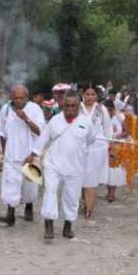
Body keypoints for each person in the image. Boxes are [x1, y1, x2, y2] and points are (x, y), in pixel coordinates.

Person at [27, 91, 96, 239]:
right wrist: (33, 155)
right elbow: (43, 138)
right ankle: (49, 224)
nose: (70, 109)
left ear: (79, 105)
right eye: (67, 106)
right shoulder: (55, 121)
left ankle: (68, 225)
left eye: (73, 106)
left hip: (75, 167)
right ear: (62, 105)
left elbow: (90, 140)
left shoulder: (86, 122)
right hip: (53, 165)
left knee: (72, 196)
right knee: (50, 192)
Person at [0, 85, 45, 226]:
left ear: (26, 97)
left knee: (29, 185)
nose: (18, 100)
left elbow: (40, 132)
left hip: (29, 155)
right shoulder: (5, 110)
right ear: (12, 97)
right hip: (11, 155)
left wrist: (26, 119)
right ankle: (10, 213)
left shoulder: (35, 109)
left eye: (21, 98)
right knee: (10, 184)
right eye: (15, 98)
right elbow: (2, 133)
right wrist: (3, 151)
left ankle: (28, 207)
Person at [80, 85, 113, 221]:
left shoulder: (101, 109)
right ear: (83, 95)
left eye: (92, 94)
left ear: (96, 96)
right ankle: (85, 201)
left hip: (97, 149)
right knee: (81, 177)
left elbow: (108, 128)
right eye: (87, 94)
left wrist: (110, 144)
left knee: (91, 180)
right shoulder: (77, 108)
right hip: (80, 148)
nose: (89, 97)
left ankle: (89, 209)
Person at [105, 100, 127, 202]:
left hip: (118, 146)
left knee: (114, 170)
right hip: (107, 146)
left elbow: (127, 131)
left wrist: (118, 137)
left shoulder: (120, 117)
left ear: (113, 110)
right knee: (107, 170)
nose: (108, 113)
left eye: (109, 111)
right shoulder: (103, 118)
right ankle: (108, 191)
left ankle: (112, 193)